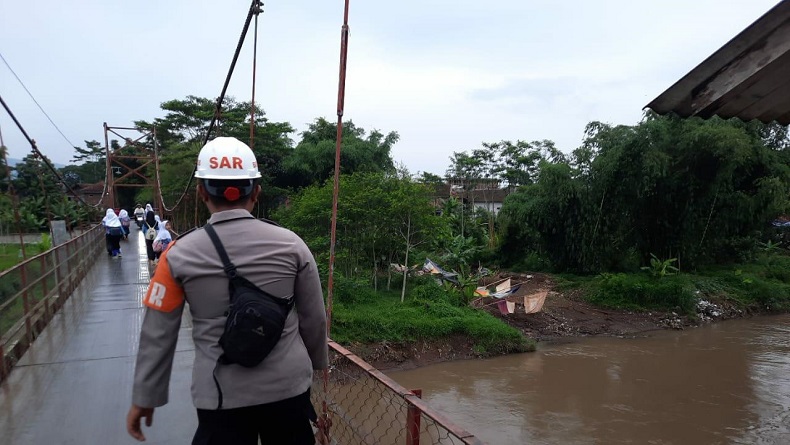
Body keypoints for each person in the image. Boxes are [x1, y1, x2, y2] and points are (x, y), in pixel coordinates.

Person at [127, 137, 328, 444]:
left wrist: (145, 395)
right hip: (289, 390)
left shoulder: (177, 255)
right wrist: (314, 366)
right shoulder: (292, 244)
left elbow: (158, 331)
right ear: (256, 192)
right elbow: (314, 319)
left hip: (219, 395)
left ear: (200, 192)